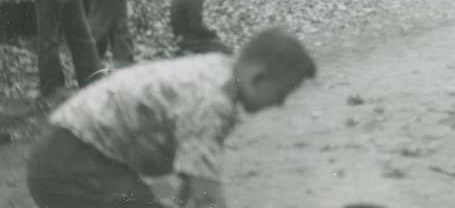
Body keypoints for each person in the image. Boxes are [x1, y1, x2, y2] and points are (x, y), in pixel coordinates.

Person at [26, 28, 315, 208]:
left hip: (64, 151)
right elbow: (207, 199)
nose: (280, 104)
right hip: (73, 162)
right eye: (281, 93)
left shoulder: (218, 69)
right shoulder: (214, 102)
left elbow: (195, 176)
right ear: (258, 78)